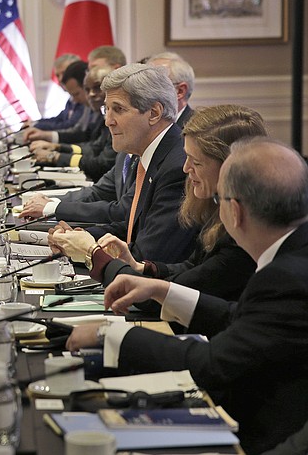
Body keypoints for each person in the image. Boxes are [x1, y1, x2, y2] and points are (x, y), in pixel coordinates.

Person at [65, 137, 308, 454]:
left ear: (234, 212)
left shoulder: (286, 275)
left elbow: (212, 363)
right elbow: (241, 321)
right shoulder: (292, 254)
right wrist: (164, 290)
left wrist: (109, 334)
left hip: (258, 438)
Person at [52, 105, 266, 301]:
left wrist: (92, 253)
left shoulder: (242, 234)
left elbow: (174, 294)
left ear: (231, 168)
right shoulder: (215, 210)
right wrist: (140, 268)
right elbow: (191, 267)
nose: (186, 169)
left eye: (197, 162)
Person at [45, 63, 197, 264]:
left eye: (118, 109)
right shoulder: (153, 154)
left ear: (154, 113)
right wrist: (79, 235)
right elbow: (133, 225)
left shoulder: (177, 167)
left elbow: (147, 256)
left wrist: (88, 248)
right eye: (106, 109)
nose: (108, 120)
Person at [29, 65, 116, 181]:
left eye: (97, 88)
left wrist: (56, 156)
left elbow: (102, 164)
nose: (91, 94)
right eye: (87, 89)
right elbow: (94, 148)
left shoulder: (115, 121)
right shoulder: (100, 114)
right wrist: (57, 147)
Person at [24, 61, 101, 144]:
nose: (75, 100)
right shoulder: (87, 106)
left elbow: (73, 128)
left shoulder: (98, 109)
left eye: (77, 94)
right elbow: (80, 133)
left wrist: (58, 153)